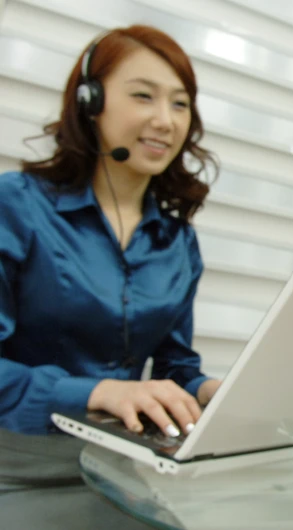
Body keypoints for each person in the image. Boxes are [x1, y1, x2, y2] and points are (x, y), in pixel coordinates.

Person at [0, 25, 222, 439]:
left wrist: (211, 391)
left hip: (121, 461)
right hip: (15, 460)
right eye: (143, 96)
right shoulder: (16, 204)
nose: (165, 121)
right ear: (90, 102)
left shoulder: (177, 240)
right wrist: (96, 391)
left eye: (180, 104)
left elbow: (175, 367)